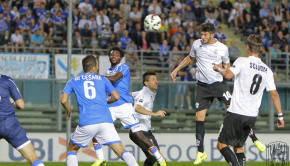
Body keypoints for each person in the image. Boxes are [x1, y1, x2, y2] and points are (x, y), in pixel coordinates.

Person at [170, 23, 264, 165]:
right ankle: (200, 152)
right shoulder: (196, 44)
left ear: (212, 34)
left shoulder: (222, 48)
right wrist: (176, 69)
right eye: (201, 34)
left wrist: (221, 68)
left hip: (219, 85)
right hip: (202, 86)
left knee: (236, 111)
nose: (202, 37)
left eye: (205, 35)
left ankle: (255, 139)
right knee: (198, 118)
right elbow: (190, 58)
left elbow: (227, 66)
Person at [213, 34, 285, 166]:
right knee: (238, 147)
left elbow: (228, 75)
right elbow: (274, 94)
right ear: (260, 49)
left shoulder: (242, 61)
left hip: (236, 112)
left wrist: (218, 68)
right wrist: (280, 116)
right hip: (251, 116)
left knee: (221, 145)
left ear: (247, 47)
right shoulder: (267, 70)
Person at [92, 47, 167, 166]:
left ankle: (159, 158)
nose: (113, 56)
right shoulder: (107, 71)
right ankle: (101, 159)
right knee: (96, 131)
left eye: (116, 54)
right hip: (111, 105)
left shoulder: (124, 67)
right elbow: (109, 86)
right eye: (111, 54)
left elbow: (115, 78)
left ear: (120, 57)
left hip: (124, 106)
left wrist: (97, 77)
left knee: (139, 134)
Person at [60, 55, 139, 166]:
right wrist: (104, 102)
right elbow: (116, 96)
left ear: (84, 68)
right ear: (94, 67)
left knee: (72, 150)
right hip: (105, 121)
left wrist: (68, 109)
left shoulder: (73, 81)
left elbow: (63, 101)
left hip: (87, 122)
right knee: (121, 150)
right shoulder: (103, 79)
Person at [0, 75, 45, 166]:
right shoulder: (7, 80)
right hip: (10, 125)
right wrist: (11, 103)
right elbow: (21, 105)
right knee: (33, 159)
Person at [130, 71, 167, 166]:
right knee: (159, 158)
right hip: (139, 131)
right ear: (146, 83)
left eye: (156, 79)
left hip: (145, 130)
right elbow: (137, 108)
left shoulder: (147, 92)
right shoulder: (144, 94)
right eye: (153, 80)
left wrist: (130, 94)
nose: (156, 81)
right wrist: (155, 114)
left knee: (153, 159)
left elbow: (134, 94)